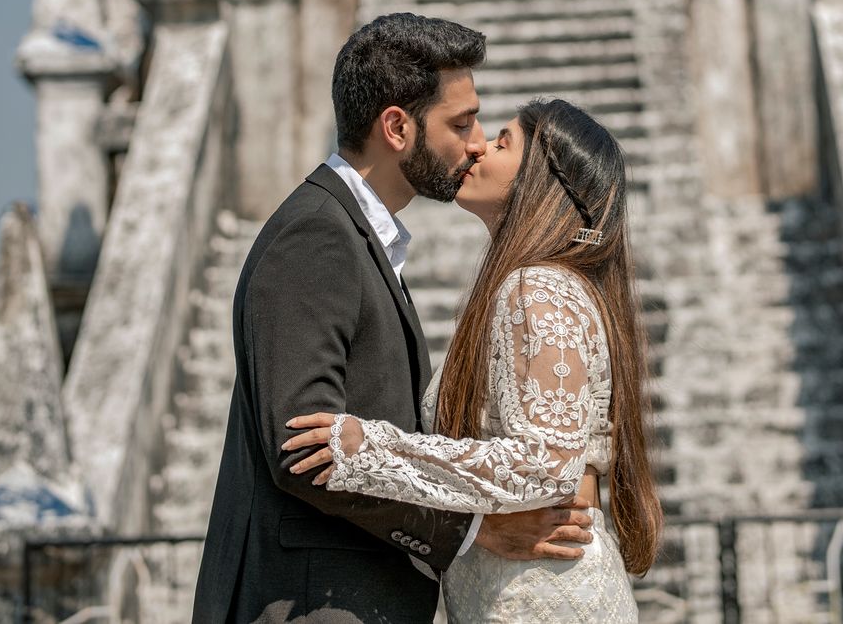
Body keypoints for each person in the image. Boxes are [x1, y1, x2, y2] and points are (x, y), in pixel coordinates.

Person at [192, 15, 597, 624]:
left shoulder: (360, 239)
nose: (477, 142)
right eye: (461, 123)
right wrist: (469, 531)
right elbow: (303, 448)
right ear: (397, 127)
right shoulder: (317, 236)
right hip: (314, 603)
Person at [282, 97, 661, 622]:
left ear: (541, 180)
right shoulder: (536, 284)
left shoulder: (538, 287)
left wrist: (371, 449)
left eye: (504, 142)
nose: (478, 146)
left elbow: (545, 466)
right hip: (516, 583)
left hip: (540, 592)